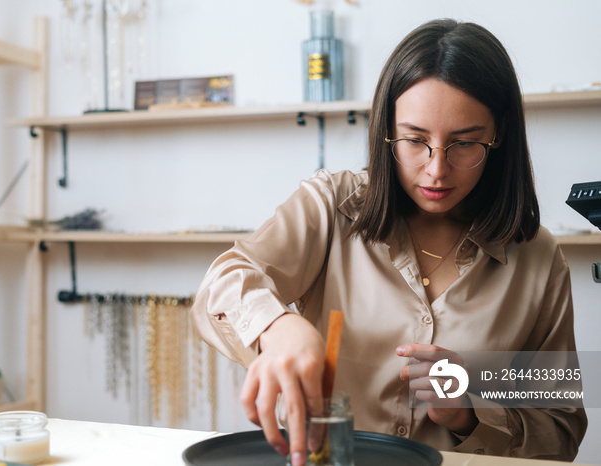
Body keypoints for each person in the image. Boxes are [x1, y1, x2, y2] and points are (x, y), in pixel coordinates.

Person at [190, 18, 587, 464]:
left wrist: (470, 415)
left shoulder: (538, 260)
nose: (437, 169)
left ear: (499, 138)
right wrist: (278, 329)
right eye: (414, 140)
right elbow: (220, 284)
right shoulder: (332, 206)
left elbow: (561, 431)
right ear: (385, 132)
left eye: (464, 144)